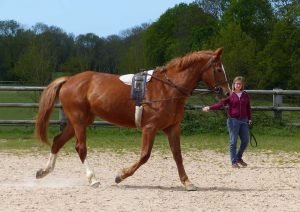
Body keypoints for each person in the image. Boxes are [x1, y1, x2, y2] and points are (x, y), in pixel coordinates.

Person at [202, 76, 252, 168]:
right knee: (233, 142)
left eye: (240, 84)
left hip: (244, 120)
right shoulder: (230, 95)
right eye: (236, 83)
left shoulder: (245, 94)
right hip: (233, 121)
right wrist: (210, 107)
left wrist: (249, 119)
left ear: (242, 85)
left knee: (245, 141)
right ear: (233, 84)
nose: (238, 85)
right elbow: (221, 104)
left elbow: (248, 107)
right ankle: (234, 162)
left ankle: (238, 157)